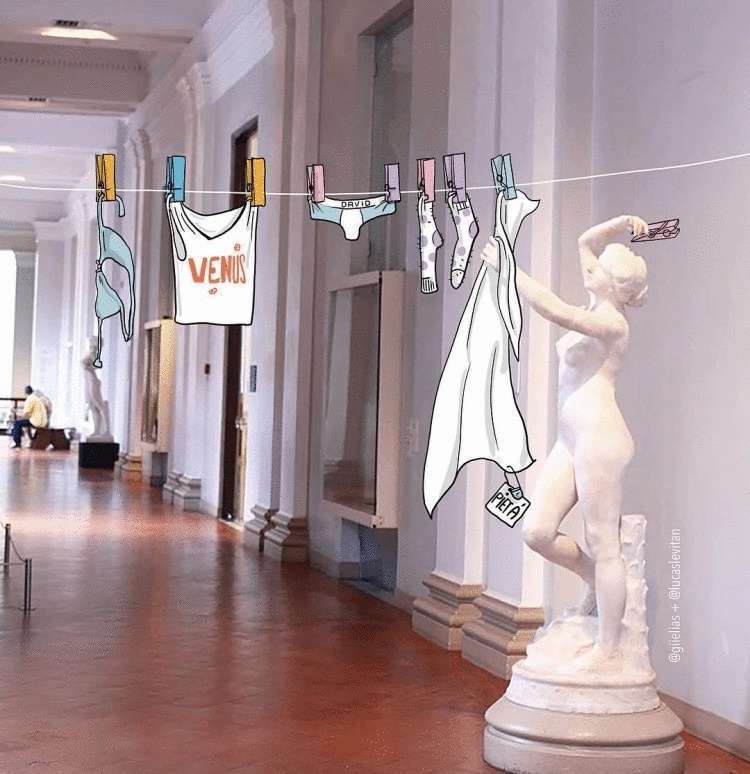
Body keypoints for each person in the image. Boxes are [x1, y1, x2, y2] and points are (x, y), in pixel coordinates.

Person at [480, 214, 649, 667]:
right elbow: (583, 240)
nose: (589, 268)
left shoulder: (612, 323)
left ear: (615, 286)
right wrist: (622, 223)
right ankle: (595, 579)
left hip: (600, 438)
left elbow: (556, 310)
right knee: (536, 531)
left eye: (600, 268)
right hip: (569, 439)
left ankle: (608, 649)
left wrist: (511, 271)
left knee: (602, 539)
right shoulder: (596, 305)